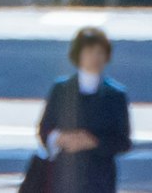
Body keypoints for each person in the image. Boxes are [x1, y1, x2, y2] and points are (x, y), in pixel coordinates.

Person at [37, 26, 132, 193]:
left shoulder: (115, 94)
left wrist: (94, 142)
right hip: (63, 176)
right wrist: (60, 138)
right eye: (89, 52)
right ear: (78, 54)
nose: (95, 58)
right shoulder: (61, 89)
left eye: (100, 52)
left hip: (100, 179)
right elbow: (45, 128)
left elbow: (123, 141)